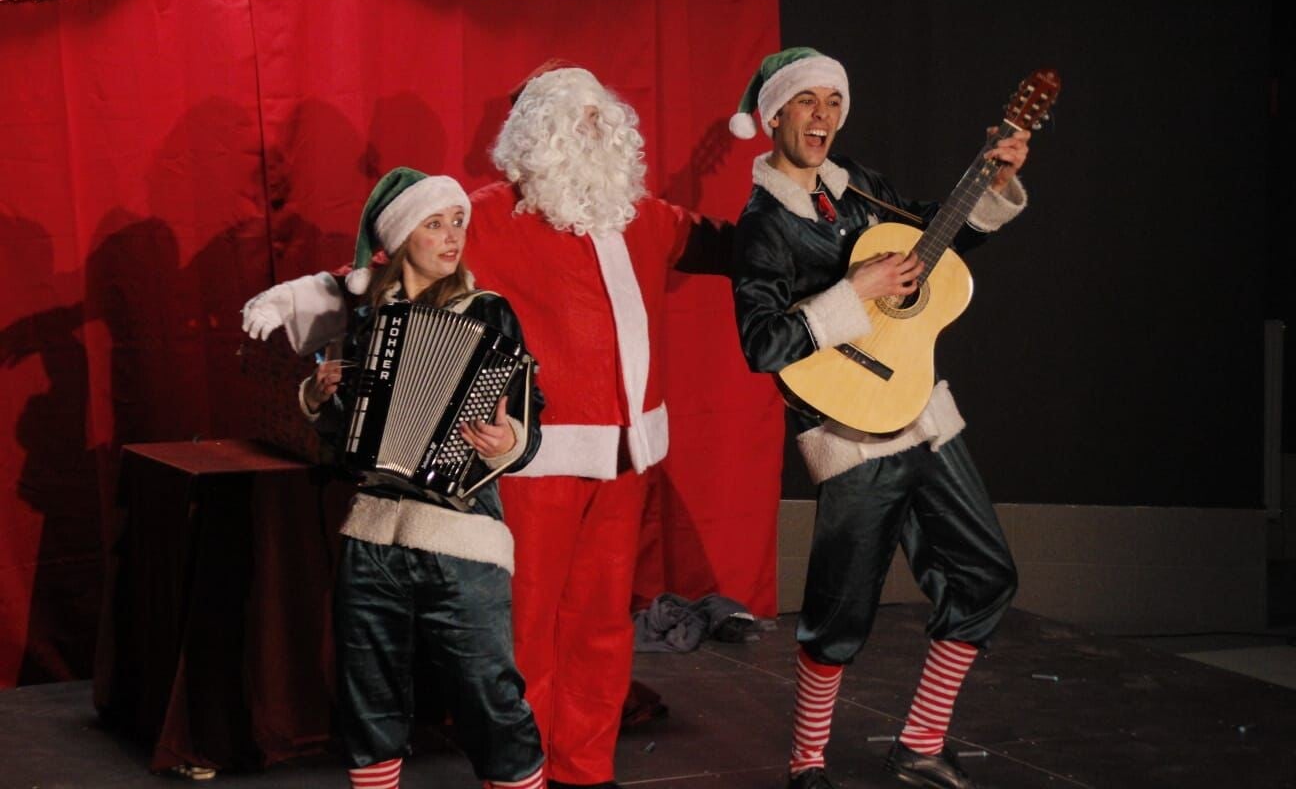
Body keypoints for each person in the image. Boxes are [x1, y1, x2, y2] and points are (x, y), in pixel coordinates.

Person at [244, 64, 729, 789]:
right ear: (535, 134)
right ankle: (521, 773)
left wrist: (834, 249)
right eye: (574, 119)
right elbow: (389, 270)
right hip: (531, 457)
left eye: (599, 118)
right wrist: (300, 300)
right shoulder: (487, 215)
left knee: (601, 625)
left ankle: (585, 771)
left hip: (626, 458)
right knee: (521, 629)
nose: (591, 131)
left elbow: (731, 246)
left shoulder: (644, 216)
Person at [728, 47, 1028, 789]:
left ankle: (920, 743)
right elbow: (762, 344)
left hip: (923, 415)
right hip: (851, 434)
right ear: (774, 115)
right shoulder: (763, 224)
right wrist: (852, 292)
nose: (823, 116)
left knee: (985, 574)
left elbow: (936, 240)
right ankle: (807, 761)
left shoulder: (860, 187)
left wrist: (992, 183)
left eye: (833, 101)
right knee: (840, 610)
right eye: (807, 101)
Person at [300, 167, 546, 789]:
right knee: (367, 702)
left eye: (458, 222)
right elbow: (347, 450)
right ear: (401, 236)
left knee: (491, 700)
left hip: (459, 538)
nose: (452, 236)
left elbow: (528, 415)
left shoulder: (487, 310)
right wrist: (319, 400)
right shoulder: (365, 320)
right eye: (435, 224)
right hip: (373, 539)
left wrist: (509, 441)